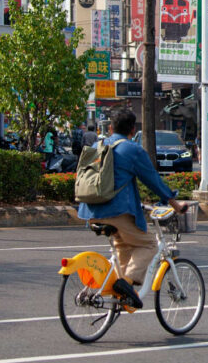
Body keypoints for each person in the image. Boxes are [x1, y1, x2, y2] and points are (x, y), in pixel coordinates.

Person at [77, 108, 186, 309]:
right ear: (132, 130)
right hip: (116, 212)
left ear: (110, 128)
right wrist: (174, 202)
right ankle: (126, 285)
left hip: (90, 210)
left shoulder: (97, 145)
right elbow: (152, 179)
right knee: (148, 245)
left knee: (123, 246)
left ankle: (120, 294)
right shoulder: (132, 149)